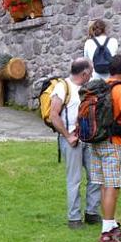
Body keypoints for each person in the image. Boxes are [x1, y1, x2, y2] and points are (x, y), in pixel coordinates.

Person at [86, 54, 121, 242]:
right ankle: (106, 234)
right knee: (113, 186)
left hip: (95, 141)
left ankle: (112, 225)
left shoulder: (100, 87)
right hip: (112, 141)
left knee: (104, 185)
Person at [48, 57, 101, 230]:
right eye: (91, 71)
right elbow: (53, 115)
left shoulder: (88, 86)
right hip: (72, 140)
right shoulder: (62, 87)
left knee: (95, 177)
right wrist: (68, 136)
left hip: (88, 138)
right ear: (84, 73)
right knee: (75, 179)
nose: (92, 73)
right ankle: (74, 218)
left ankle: (92, 213)